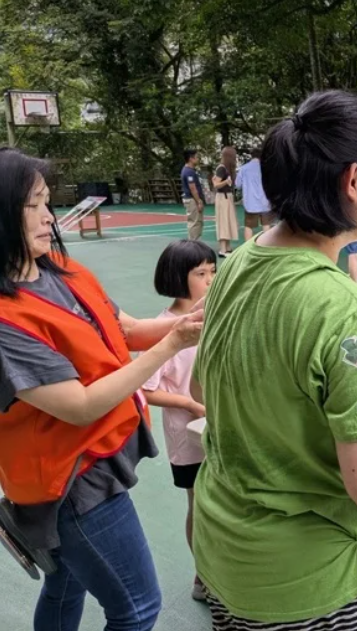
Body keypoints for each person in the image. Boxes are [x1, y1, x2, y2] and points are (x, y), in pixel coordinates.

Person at [189, 91, 357, 631]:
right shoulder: (349, 313)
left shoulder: (236, 263)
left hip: (226, 553)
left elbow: (203, 390)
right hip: (315, 583)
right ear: (354, 181)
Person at [0, 148, 203, 631]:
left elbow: (125, 329)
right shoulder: (6, 320)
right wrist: (173, 341)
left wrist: (193, 320)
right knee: (136, 609)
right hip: (70, 482)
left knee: (65, 583)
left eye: (49, 202)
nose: (49, 218)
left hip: (92, 460)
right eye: (35, 204)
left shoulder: (58, 270)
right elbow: (80, 405)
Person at [142, 239, 216, 601]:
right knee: (199, 506)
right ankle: (203, 576)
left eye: (213, 271)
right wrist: (190, 404)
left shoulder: (216, 317)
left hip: (223, 431)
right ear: (176, 278)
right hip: (189, 440)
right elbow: (148, 390)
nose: (210, 279)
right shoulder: (164, 329)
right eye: (200, 273)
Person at [236, 154, 272, 241]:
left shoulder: (244, 168)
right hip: (265, 202)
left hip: (250, 203)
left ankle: (247, 248)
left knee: (248, 226)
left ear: (251, 156)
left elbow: (237, 185)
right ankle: (266, 247)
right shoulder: (267, 168)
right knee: (266, 225)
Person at [212, 146, 240, 257]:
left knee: (228, 221)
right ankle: (222, 250)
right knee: (223, 222)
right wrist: (226, 182)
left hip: (227, 197)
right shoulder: (221, 168)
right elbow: (216, 185)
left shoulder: (227, 169)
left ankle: (227, 247)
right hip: (222, 197)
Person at [182, 149, 206, 240]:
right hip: (192, 200)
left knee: (198, 222)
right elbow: (192, 188)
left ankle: (195, 243)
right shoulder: (189, 172)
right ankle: (193, 244)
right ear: (191, 159)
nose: (198, 159)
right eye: (196, 157)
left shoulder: (190, 170)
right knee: (194, 222)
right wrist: (199, 201)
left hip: (192, 199)